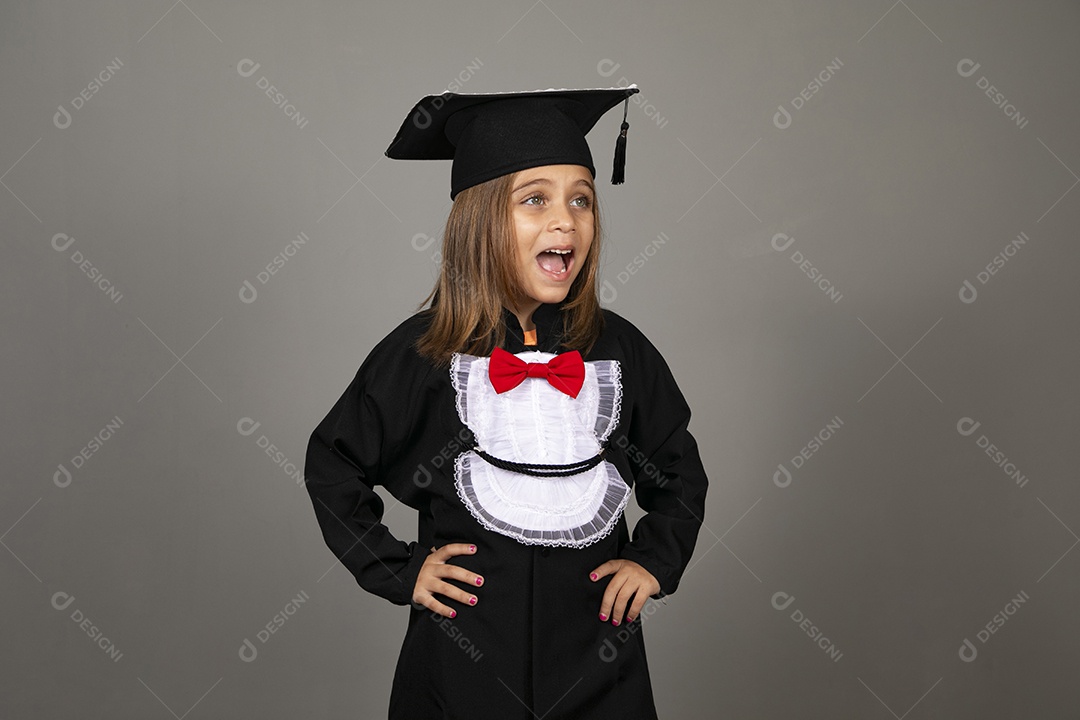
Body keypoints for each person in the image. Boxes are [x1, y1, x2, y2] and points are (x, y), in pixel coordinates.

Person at [303, 84, 709, 720]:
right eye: (535, 200)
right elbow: (334, 462)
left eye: (582, 199)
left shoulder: (619, 348)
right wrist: (400, 570)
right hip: (463, 663)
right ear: (479, 221)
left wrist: (654, 561)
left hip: (597, 659)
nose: (565, 220)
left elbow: (677, 468)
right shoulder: (426, 353)